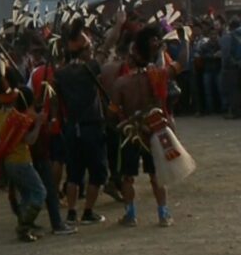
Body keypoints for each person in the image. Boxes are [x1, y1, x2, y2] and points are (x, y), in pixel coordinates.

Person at [111, 24, 188, 228]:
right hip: (153, 130)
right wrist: (185, 39)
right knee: (156, 174)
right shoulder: (158, 75)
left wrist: (123, 120)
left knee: (128, 177)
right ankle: (163, 214)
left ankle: (131, 214)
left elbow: (112, 112)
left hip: (130, 133)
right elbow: (182, 62)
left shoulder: (121, 83)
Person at [53, 27, 107, 226]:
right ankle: (88, 211)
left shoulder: (60, 74)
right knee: (97, 172)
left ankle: (72, 212)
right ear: (83, 50)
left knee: (74, 173)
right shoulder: (90, 68)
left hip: (71, 128)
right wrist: (118, 25)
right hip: (91, 127)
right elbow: (107, 46)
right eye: (89, 46)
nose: (92, 49)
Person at [0, 69, 47, 242]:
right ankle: (23, 227)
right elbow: (29, 140)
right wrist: (38, 123)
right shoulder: (18, 118)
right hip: (21, 161)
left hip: (9, 162)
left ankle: (25, 225)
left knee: (27, 195)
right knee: (39, 193)